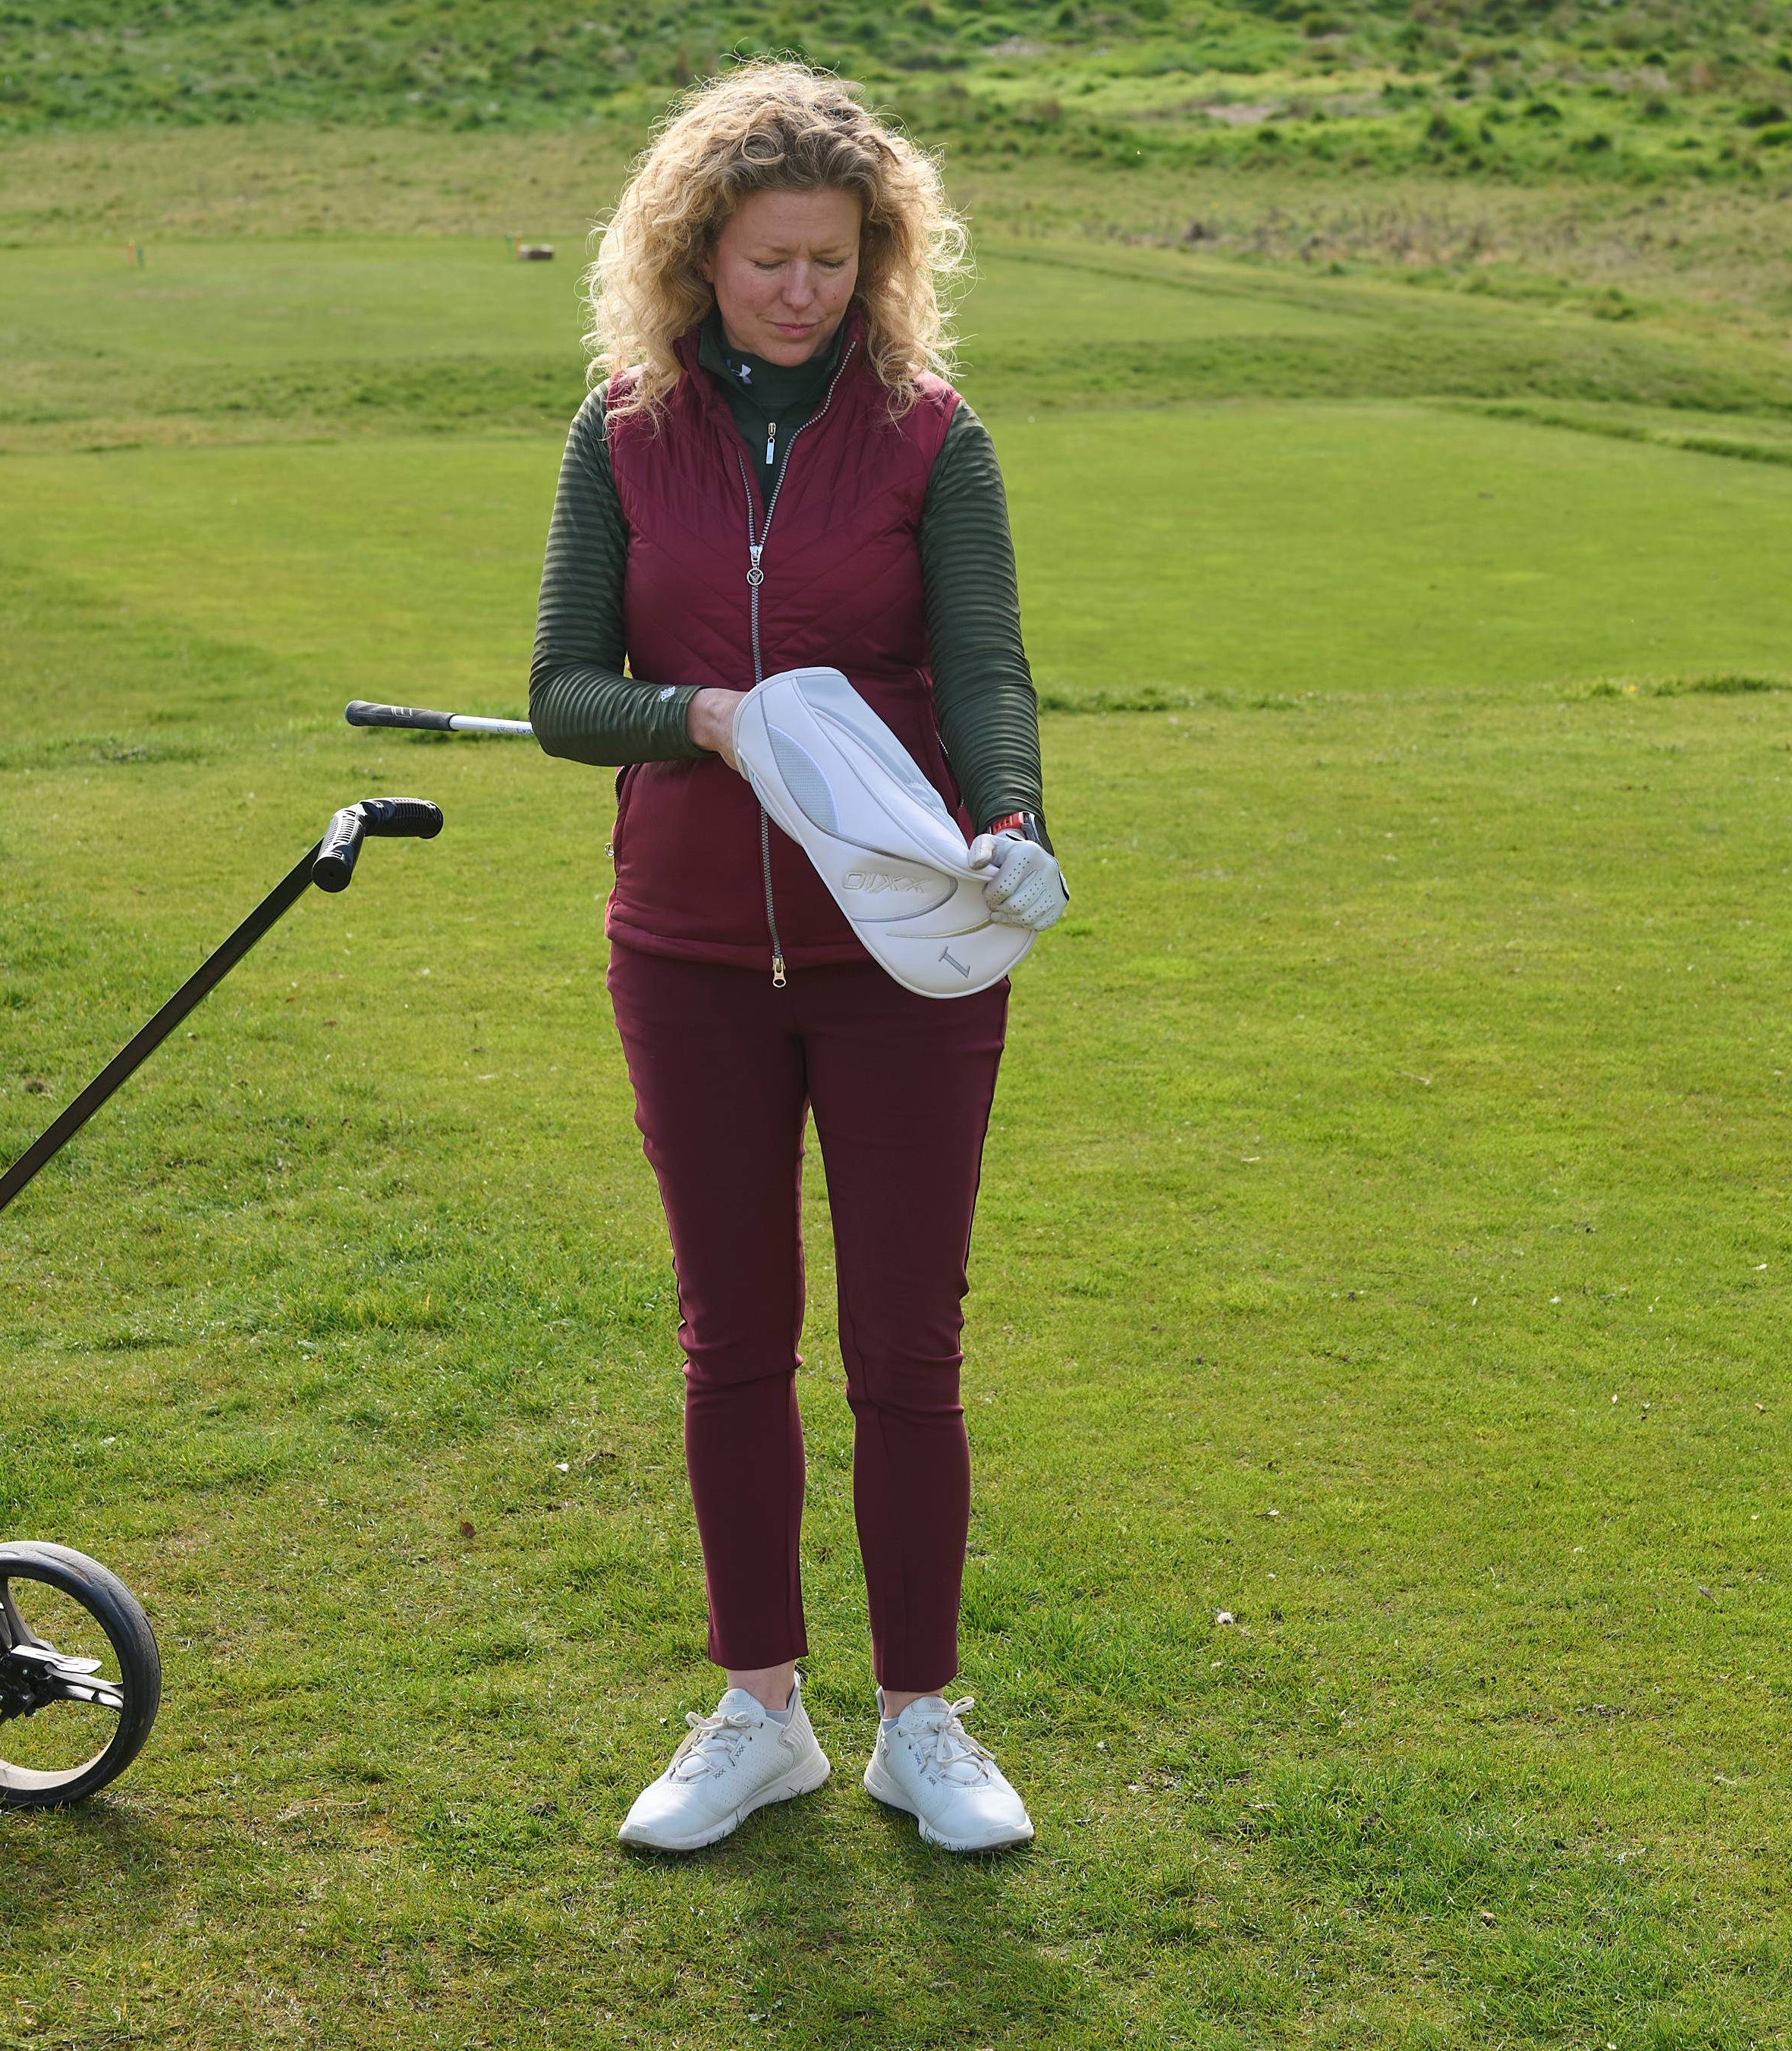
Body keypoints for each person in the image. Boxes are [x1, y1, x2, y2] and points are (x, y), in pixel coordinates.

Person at [527, 61, 1069, 1856]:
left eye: (835, 259)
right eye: (771, 260)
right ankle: (759, 1708)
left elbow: (985, 666)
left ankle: (925, 1717)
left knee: (909, 1349)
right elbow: (561, 696)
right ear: (698, 255)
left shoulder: (933, 434)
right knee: (731, 1338)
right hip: (686, 952)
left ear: (880, 256)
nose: (803, 292)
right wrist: (701, 716)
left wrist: (1008, 814)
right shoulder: (621, 431)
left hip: (908, 952)